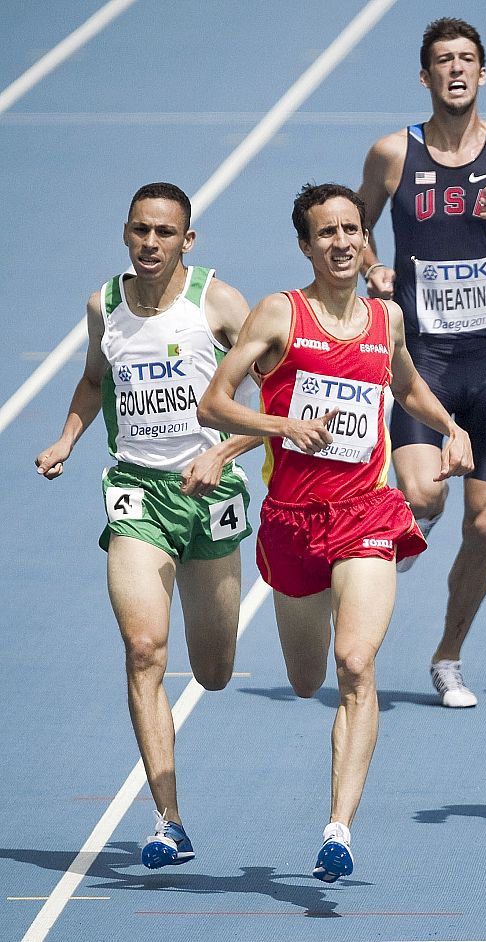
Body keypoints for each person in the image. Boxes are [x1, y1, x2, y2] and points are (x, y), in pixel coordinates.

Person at [197, 182, 473, 881]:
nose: (343, 242)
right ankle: (331, 786)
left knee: (356, 664)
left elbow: (403, 385)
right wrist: (279, 426)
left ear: (365, 238)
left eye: (352, 230)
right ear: (305, 245)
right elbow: (214, 403)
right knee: (304, 677)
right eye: (327, 233)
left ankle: (339, 828)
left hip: (366, 513)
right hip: (292, 523)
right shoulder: (279, 315)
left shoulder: (387, 318)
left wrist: (449, 426)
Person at [36, 183, 261, 868]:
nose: (151, 244)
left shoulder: (217, 303)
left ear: (187, 241)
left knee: (215, 669)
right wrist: (67, 440)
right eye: (141, 231)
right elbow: (92, 381)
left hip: (210, 492)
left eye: (166, 233)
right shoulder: (103, 305)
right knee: (143, 649)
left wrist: (222, 450)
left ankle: (212, 668)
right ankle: (168, 819)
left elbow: (280, 395)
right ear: (126, 234)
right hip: (136, 491)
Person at [357, 17, 486, 707]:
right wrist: (375, 272)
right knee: (421, 494)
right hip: (422, 358)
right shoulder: (392, 153)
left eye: (467, 58)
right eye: (442, 60)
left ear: (484, 72)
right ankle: (414, 520)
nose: (456, 69)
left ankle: (448, 656)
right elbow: (351, 232)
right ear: (425, 76)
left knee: (485, 524)